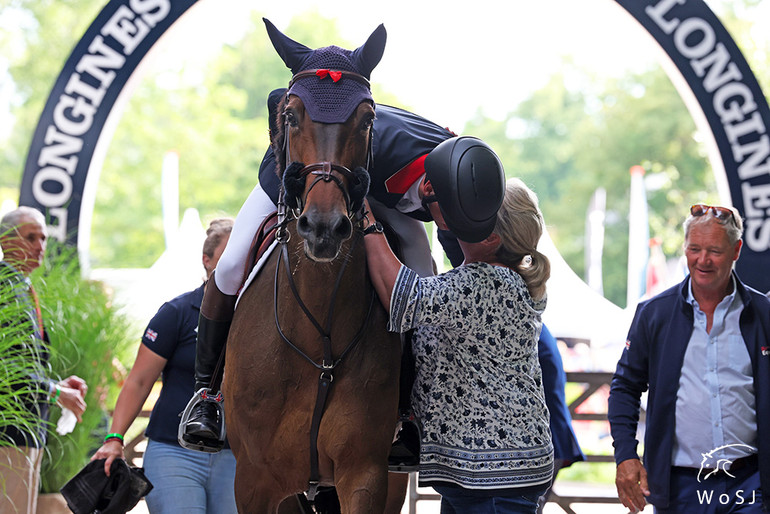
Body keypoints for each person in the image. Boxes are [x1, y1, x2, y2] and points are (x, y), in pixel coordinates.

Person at [182, 46, 502, 456]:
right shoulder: (410, 165)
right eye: (442, 215)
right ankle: (206, 396)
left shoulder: (447, 173)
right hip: (303, 166)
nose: (446, 225)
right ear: (427, 190)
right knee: (228, 266)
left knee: (423, 277)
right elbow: (276, 101)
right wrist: (296, 185)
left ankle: (407, 413)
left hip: (371, 183)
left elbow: (460, 253)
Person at [363, 176, 554, 513]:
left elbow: (402, 297)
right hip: (482, 471)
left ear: (491, 236)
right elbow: (451, 231)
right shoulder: (495, 272)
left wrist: (365, 219)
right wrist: (436, 194)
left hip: (492, 473)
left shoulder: (484, 283)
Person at [608, 204, 770, 513]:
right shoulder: (654, 314)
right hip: (679, 487)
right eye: (694, 249)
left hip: (750, 482)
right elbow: (625, 387)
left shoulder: (763, 314)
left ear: (736, 250)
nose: (703, 260)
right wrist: (626, 455)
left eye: (715, 251)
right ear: (684, 248)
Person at [90, 218, 237, 514]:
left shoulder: (260, 319)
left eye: (242, 257)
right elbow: (139, 381)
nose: (236, 264)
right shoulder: (177, 312)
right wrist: (115, 438)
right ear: (206, 261)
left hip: (237, 455)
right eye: (227, 257)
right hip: (174, 452)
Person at [0, 206, 88, 514]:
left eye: (44, 238)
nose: (40, 246)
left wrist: (57, 386)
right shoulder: (4, 288)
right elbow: (8, 367)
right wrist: (55, 392)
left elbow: (24, 363)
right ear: (5, 241)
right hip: (9, 430)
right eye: (31, 237)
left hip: (27, 428)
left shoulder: (21, 286)